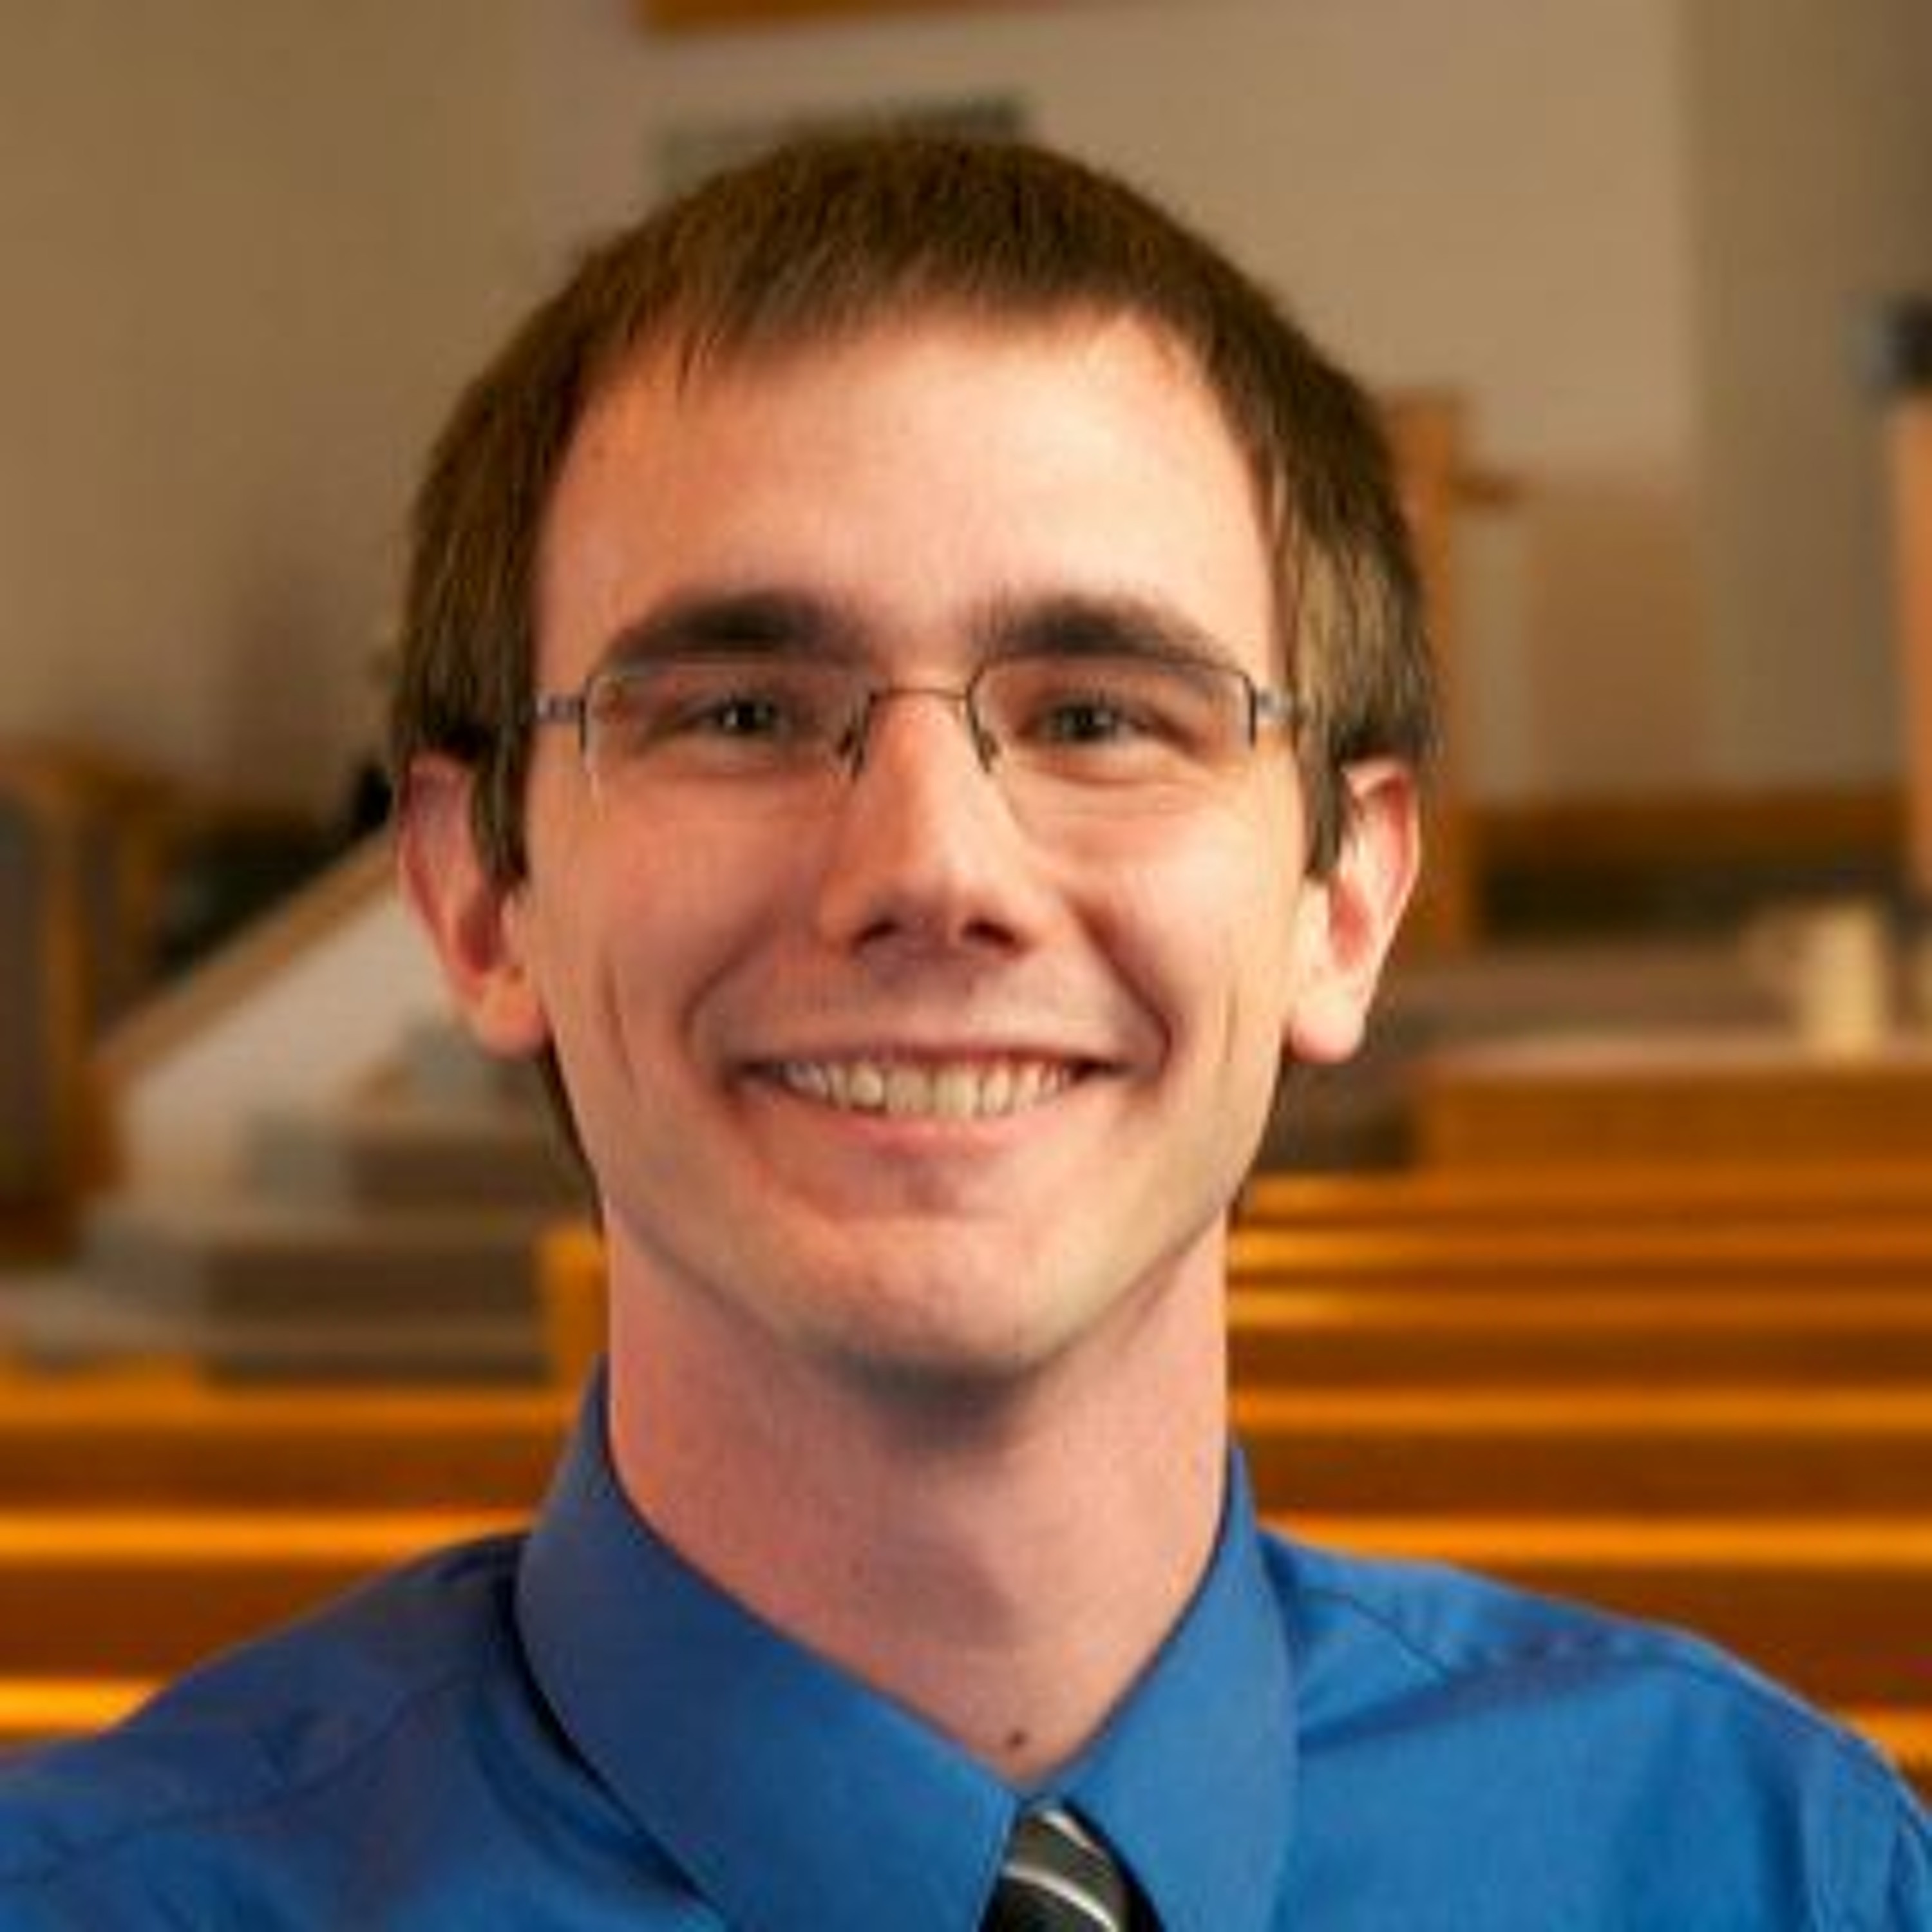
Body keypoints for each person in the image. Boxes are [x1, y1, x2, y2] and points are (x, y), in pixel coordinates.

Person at [1, 134, 1925, 1929]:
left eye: (1098, 716)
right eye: (740, 714)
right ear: (481, 896)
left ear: (1343, 901)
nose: (933, 868)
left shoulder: (1766, 1867)